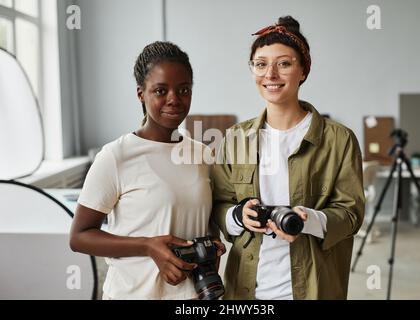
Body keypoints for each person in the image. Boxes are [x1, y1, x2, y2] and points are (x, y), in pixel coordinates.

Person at [211, 16, 365, 300]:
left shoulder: (339, 139)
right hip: (247, 289)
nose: (270, 75)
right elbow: (220, 205)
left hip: (314, 287)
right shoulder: (235, 138)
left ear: (303, 70)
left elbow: (351, 214)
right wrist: (238, 215)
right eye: (260, 64)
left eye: (284, 63)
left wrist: (307, 220)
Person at [70, 41, 225, 300]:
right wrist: (148, 246)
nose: (174, 99)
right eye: (160, 90)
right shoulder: (116, 156)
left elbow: (209, 223)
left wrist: (212, 252)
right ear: (141, 94)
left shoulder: (203, 154)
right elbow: (79, 237)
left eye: (184, 89)